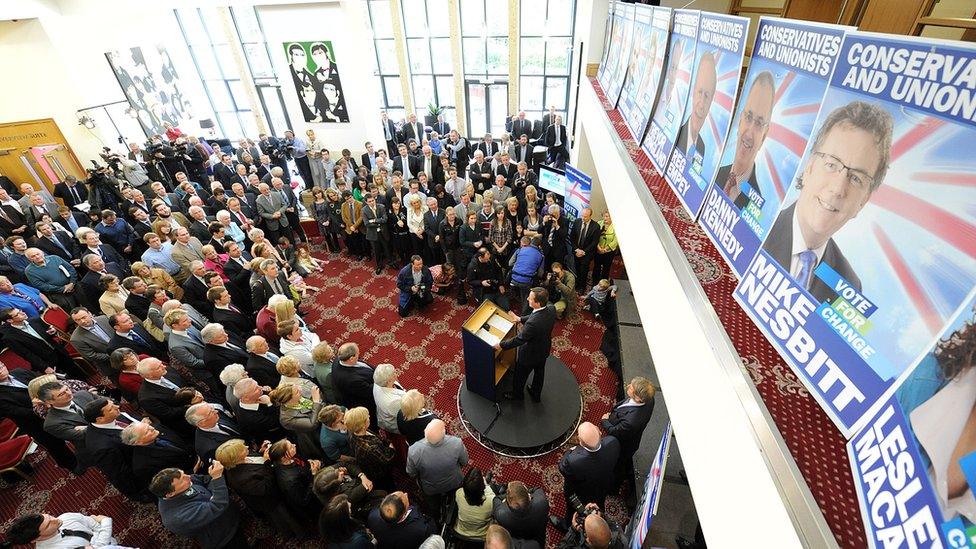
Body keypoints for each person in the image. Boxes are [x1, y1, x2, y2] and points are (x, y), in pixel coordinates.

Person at [761, 100, 893, 304]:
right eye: (831, 164)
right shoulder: (758, 228)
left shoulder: (849, 284)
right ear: (809, 168)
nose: (838, 189)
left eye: (856, 178)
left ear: (863, 201)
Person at [215, 438, 306, 539]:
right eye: (243, 449)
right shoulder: (240, 479)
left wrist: (260, 451)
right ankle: (298, 535)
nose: (247, 447)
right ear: (235, 458)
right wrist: (267, 463)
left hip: (277, 489)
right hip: (270, 502)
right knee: (286, 519)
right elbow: (267, 488)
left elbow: (256, 460)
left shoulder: (245, 456)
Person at [150, 463, 248, 549]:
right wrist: (217, 479)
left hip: (228, 514)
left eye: (184, 474)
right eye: (182, 479)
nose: (189, 477)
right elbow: (218, 505)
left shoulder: (184, 481)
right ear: (170, 494)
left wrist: (213, 495)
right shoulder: (178, 517)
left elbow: (206, 479)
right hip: (224, 535)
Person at [716, 71, 776, 209]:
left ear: (764, 137)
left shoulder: (758, 206)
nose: (749, 133)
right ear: (740, 120)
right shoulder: (716, 174)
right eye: (748, 117)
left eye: (759, 123)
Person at [555, 422, 620, 530]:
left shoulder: (573, 460)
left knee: (572, 509)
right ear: (599, 431)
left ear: (580, 442)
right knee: (599, 501)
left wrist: (571, 451)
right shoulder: (613, 442)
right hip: (604, 484)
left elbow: (562, 468)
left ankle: (566, 525)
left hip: (579, 493)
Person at [495, 287, 556, 402]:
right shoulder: (551, 308)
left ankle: (517, 396)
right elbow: (536, 315)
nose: (527, 298)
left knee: (519, 377)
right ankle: (535, 393)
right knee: (539, 373)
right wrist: (520, 319)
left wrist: (501, 345)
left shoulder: (532, 324)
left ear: (537, 303)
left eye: (530, 298)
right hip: (543, 349)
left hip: (529, 355)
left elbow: (519, 340)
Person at [601, 377, 655, 492]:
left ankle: (612, 488)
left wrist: (605, 420)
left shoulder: (632, 421)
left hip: (622, 445)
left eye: (631, 387)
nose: (628, 385)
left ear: (639, 398)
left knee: (617, 467)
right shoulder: (649, 399)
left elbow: (615, 432)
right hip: (628, 435)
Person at [674, 51, 717, 159]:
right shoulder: (677, 132)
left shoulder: (702, 147)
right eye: (700, 92)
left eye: (707, 96)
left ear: (711, 101)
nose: (702, 104)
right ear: (693, 91)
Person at [346, 406, 395, 491]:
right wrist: (391, 447)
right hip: (380, 474)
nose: (369, 417)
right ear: (362, 425)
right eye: (367, 417)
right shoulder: (369, 448)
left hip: (374, 461)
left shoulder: (354, 433)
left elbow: (377, 438)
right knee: (390, 487)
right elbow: (387, 459)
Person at [270, 383, 324, 459]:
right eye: (297, 392)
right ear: (289, 399)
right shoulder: (286, 418)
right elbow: (312, 425)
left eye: (297, 387)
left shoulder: (300, 397)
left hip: (324, 422)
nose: (300, 390)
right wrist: (316, 402)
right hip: (315, 436)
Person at [4, 512, 117, 548]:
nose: (55, 520)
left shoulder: (64, 517)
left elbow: (93, 524)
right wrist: (106, 521)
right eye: (48, 525)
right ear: (36, 539)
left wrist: (102, 537)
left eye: (48, 515)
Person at [366, 491, 437, 549]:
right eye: (405, 497)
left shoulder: (372, 516)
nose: (406, 493)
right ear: (405, 512)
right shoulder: (420, 529)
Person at [492, 480, 550, 546]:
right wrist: (523, 493)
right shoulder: (542, 501)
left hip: (516, 539)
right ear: (529, 496)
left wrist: (507, 495)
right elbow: (535, 489)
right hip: (538, 538)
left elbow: (497, 498)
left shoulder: (501, 513)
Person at [555, 504, 626, 549]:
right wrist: (601, 515)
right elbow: (611, 524)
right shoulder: (622, 540)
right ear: (609, 531)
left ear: (588, 540)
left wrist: (573, 530)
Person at [454, 467, 495, 539]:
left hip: (461, 532)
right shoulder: (491, 500)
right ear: (483, 488)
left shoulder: (459, 493)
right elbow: (491, 495)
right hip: (482, 535)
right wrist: (487, 485)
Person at [508, 236, 545, 312]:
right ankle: (523, 315)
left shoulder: (520, 250)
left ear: (530, 242)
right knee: (526, 297)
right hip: (526, 282)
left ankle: (508, 306)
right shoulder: (541, 256)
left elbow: (510, 263)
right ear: (540, 246)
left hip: (513, 278)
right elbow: (540, 274)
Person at [569, 208, 601, 292]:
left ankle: (582, 287)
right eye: (582, 216)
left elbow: (594, 242)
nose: (583, 218)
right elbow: (572, 237)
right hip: (576, 251)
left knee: (584, 271)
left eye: (586, 217)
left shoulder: (596, 226)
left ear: (590, 216)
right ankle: (577, 283)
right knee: (577, 268)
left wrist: (583, 252)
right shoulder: (577, 222)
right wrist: (576, 249)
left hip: (587, 253)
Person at [372, 363, 405, 434]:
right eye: (394, 373)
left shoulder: (378, 382)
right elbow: (405, 413)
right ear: (389, 381)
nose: (396, 373)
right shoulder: (392, 402)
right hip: (395, 422)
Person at [362, 193, 391, 274]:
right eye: (369, 201)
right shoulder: (364, 210)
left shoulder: (381, 207)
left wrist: (374, 220)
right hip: (373, 234)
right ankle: (379, 265)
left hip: (383, 232)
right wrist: (379, 221)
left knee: (387, 249)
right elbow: (367, 224)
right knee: (376, 251)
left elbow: (385, 219)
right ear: (366, 202)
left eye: (373, 200)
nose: (372, 202)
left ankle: (391, 262)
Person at [592, 212, 618, 283]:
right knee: (597, 266)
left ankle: (603, 283)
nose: (605, 218)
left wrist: (605, 249)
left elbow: (616, 241)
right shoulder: (599, 223)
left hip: (609, 251)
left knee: (606, 268)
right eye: (604, 216)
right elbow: (594, 236)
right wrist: (598, 247)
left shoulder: (617, 226)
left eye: (607, 216)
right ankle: (595, 281)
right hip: (598, 249)